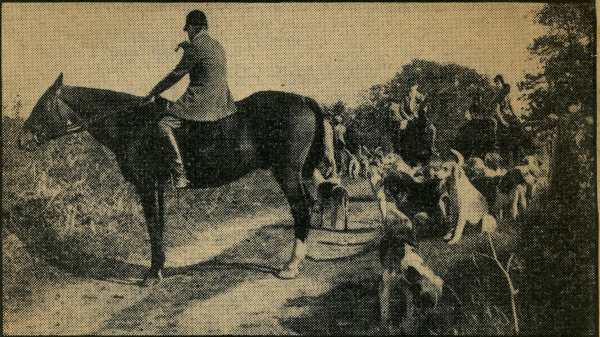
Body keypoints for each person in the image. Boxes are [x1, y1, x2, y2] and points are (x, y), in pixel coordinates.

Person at [143, 10, 236, 188]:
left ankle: (180, 174)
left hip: (202, 101)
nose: (188, 34)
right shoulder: (216, 45)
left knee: (163, 124)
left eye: (188, 30)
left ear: (193, 28)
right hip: (222, 101)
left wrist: (153, 92)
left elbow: (176, 75)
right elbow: (204, 63)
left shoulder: (196, 47)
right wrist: (187, 47)